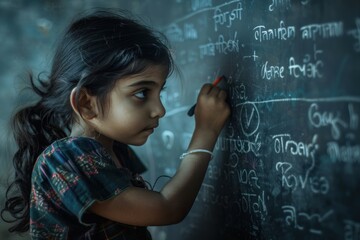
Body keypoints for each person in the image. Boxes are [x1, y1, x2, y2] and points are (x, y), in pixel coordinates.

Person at [1, 9, 230, 239]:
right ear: (86, 103)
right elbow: (167, 208)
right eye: (141, 93)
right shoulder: (64, 159)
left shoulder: (115, 150)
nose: (160, 110)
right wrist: (206, 131)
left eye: (160, 93)